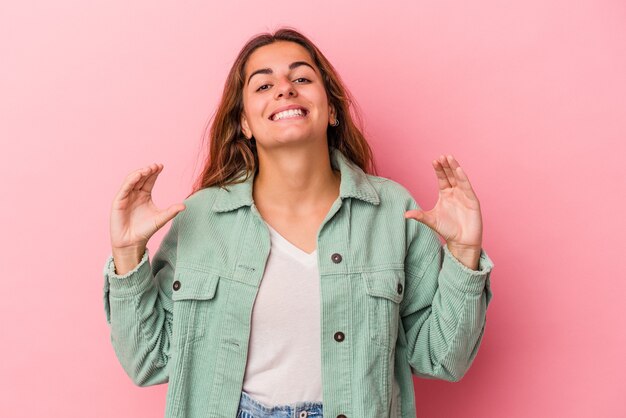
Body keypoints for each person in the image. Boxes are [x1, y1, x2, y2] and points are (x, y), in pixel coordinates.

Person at [103, 27, 494, 418]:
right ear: (245, 124)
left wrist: (463, 255)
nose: (285, 89)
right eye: (263, 85)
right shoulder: (201, 217)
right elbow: (149, 361)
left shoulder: (393, 210)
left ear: (332, 110)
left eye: (302, 78)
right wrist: (127, 254)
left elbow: (441, 358)